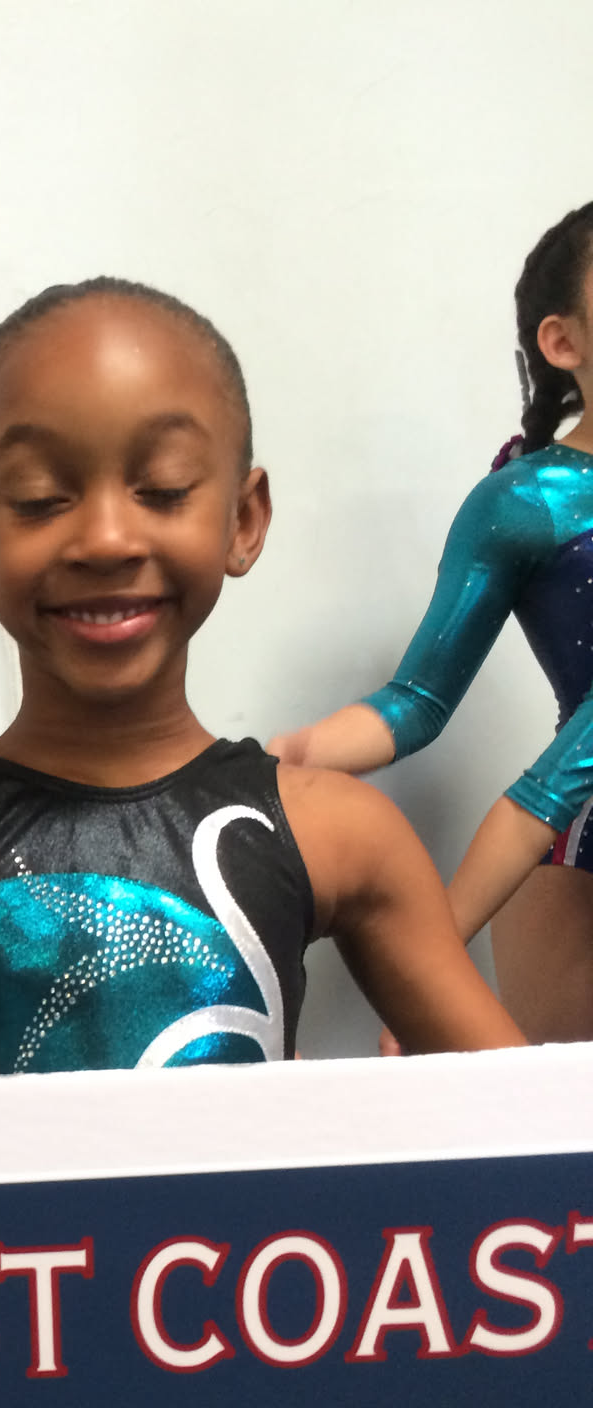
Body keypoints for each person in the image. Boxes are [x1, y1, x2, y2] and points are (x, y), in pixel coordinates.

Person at [0, 277, 522, 1086]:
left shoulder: (339, 833)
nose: (107, 539)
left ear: (243, 520)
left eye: (164, 489)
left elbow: (540, 1125)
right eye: (41, 499)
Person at [270, 205, 593, 1041]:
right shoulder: (528, 501)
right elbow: (417, 699)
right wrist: (288, 756)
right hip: (573, 859)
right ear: (563, 342)